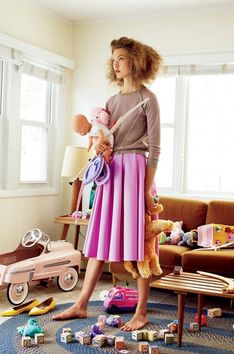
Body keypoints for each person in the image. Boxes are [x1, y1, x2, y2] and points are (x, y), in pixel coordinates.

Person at [53, 36, 162, 331]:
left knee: (140, 243)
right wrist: (100, 148)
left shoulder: (147, 100)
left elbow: (155, 149)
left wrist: (144, 191)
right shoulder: (112, 102)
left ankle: (141, 311)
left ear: (136, 62)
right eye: (113, 58)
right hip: (112, 174)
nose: (115, 63)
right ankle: (81, 304)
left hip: (137, 173)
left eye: (122, 58)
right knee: (100, 238)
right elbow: (107, 140)